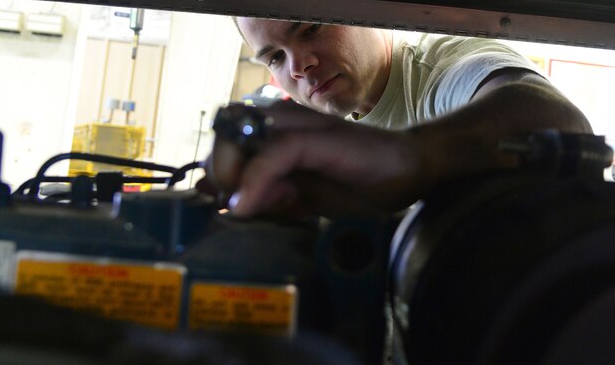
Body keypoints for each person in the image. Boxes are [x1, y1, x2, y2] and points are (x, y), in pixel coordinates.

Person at [206, 18, 592, 217]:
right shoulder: (310, 136)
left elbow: (558, 121)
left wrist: (411, 156)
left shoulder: (440, 68)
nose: (300, 66)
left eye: (311, 29)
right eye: (275, 56)